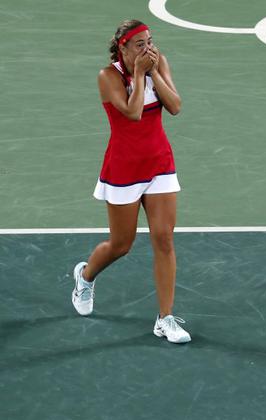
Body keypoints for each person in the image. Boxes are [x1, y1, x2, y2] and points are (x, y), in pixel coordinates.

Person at [71, 19, 190, 343]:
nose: (148, 49)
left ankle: (165, 319)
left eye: (150, 42)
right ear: (122, 47)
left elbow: (175, 106)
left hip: (160, 164)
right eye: (140, 45)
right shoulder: (107, 77)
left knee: (164, 239)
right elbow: (134, 112)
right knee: (121, 245)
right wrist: (139, 75)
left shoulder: (158, 62)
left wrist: (152, 72)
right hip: (124, 169)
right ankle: (85, 275)